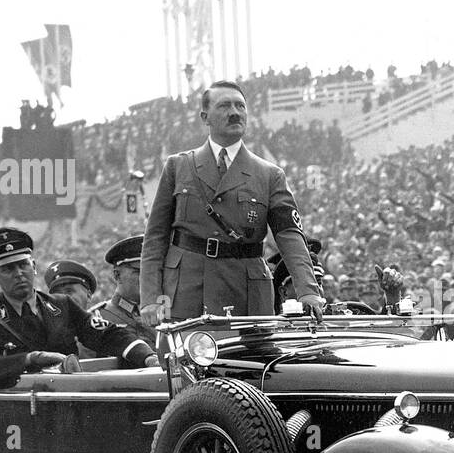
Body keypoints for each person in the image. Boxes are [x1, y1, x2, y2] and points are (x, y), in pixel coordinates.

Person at [139, 80, 324, 326]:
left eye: (240, 106)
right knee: (184, 361)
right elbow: (155, 238)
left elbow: (290, 236)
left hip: (246, 292)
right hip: (187, 291)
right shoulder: (178, 166)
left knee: (251, 363)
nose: (235, 112)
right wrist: (150, 298)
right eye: (224, 106)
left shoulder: (270, 175)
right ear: (205, 117)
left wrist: (308, 290)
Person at [0, 228, 158, 389]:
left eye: (23, 265)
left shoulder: (61, 305)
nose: (19, 274)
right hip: (18, 405)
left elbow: (108, 334)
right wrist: (30, 359)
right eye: (8, 269)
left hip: (66, 398)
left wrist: (147, 356)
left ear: (34, 266)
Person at [91, 235, 157, 348]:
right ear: (117, 275)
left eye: (151, 272)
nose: (147, 278)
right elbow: (88, 364)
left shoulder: (166, 315)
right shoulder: (98, 319)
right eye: (138, 272)